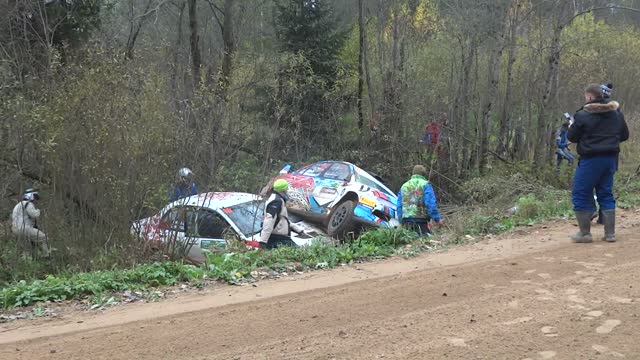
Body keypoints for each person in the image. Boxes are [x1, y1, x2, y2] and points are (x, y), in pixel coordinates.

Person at [567, 83, 629, 243]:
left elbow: (571, 138)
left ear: (589, 97)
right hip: (610, 159)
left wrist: (572, 126)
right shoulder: (616, 113)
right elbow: (624, 135)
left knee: (580, 193)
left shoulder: (582, 115)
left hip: (591, 159)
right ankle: (610, 234)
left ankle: (585, 234)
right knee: (606, 192)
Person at [396, 165, 443, 236]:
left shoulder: (404, 186)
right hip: (421, 221)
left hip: (406, 222)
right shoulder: (425, 184)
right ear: (423, 174)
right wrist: (437, 219)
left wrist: (401, 220)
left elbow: (399, 206)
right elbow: (430, 203)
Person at [259, 179, 305, 249]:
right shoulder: (276, 202)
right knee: (300, 254)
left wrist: (298, 229)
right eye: (287, 189)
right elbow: (268, 221)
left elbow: (283, 219)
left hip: (280, 238)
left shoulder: (279, 200)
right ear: (284, 190)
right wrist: (263, 243)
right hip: (276, 239)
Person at [11, 189, 50, 257]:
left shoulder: (18, 205)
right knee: (44, 237)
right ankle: (46, 256)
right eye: (35, 197)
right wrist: (39, 210)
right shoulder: (28, 204)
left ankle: (25, 263)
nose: (36, 200)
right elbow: (34, 214)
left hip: (15, 229)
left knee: (27, 248)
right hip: (24, 228)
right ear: (31, 196)